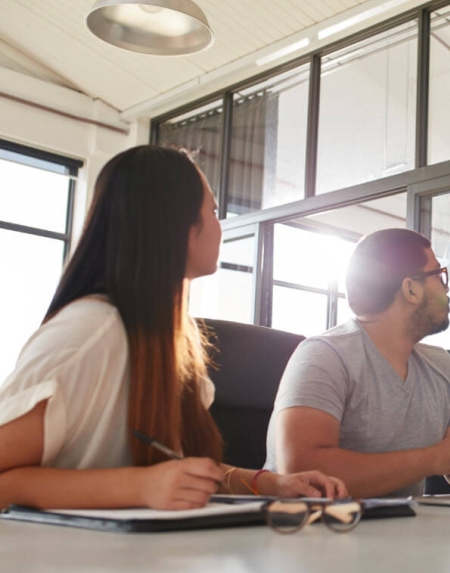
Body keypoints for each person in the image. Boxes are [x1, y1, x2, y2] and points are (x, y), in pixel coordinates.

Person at [0, 145, 347, 510]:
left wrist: (270, 483)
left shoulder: (174, 339)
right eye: (212, 211)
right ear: (175, 223)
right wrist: (139, 487)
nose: (219, 226)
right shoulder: (89, 330)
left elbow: (180, 471)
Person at [264, 228, 450, 498]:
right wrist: (432, 458)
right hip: (310, 532)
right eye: (439, 276)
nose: (447, 288)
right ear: (410, 289)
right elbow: (302, 472)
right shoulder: (323, 355)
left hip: (401, 532)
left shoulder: (439, 364)